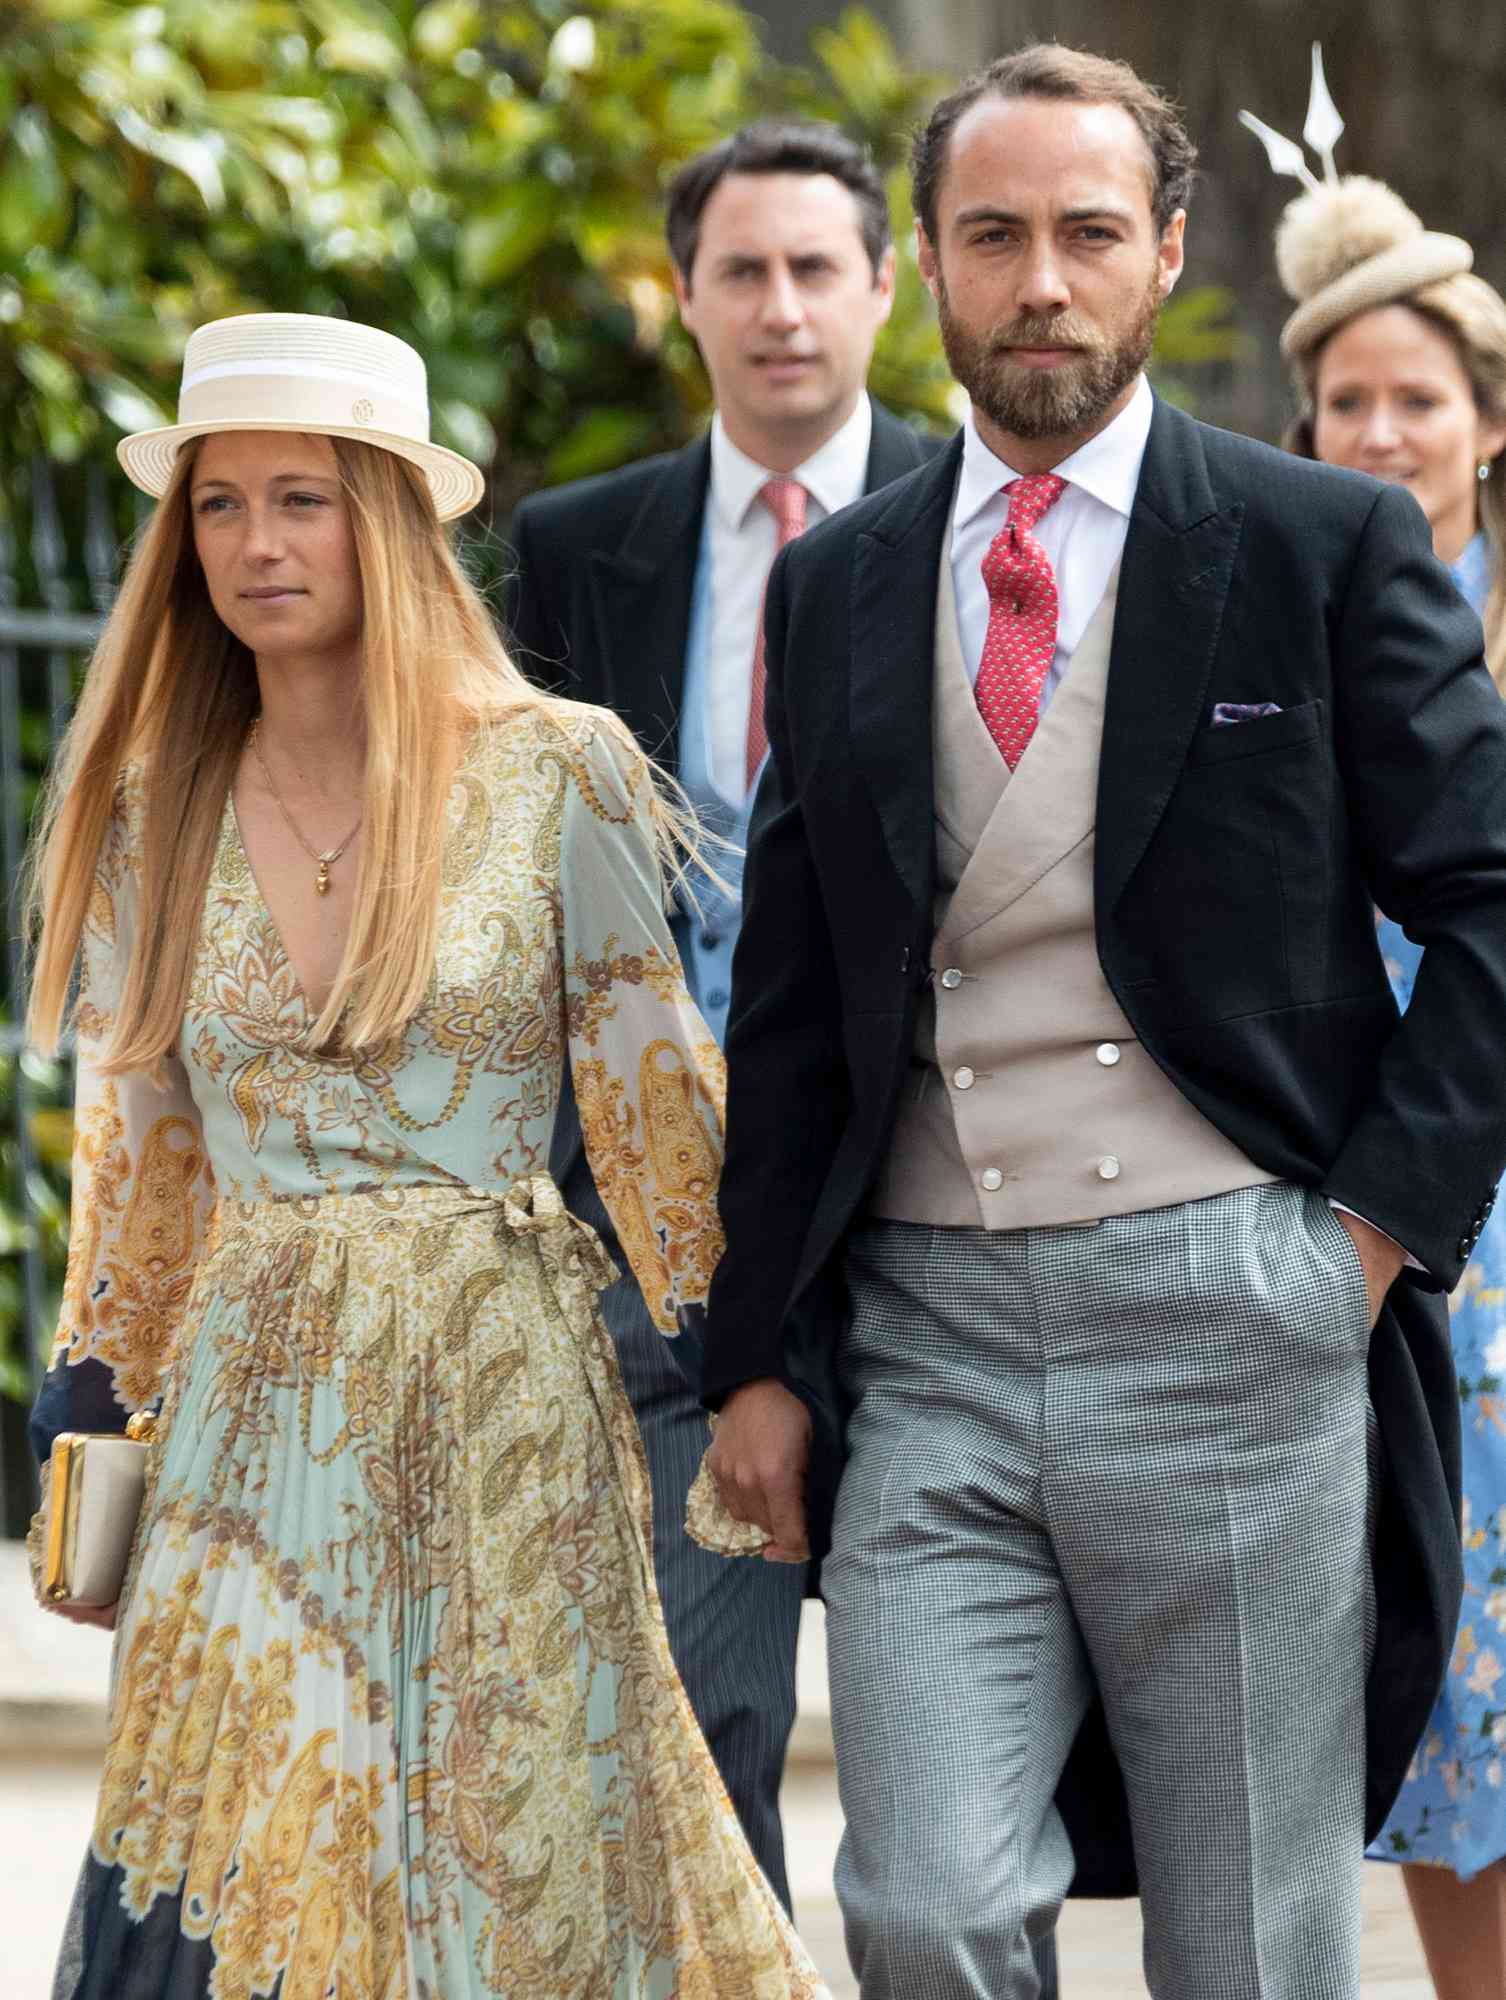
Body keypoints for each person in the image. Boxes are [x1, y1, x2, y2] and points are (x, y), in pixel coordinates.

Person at [694, 41, 1506, 2000]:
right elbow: (796, 1011)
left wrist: (1358, 1248)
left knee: (1251, 1946)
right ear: (932, 264)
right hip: (931, 1336)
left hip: (1242, 1317)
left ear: (1163, 253)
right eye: (992, 235)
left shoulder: (1317, 547)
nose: (1038, 278)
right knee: (924, 1903)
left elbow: (1488, 901)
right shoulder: (851, 582)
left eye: (1082, 232)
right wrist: (760, 1356)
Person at [23, 311, 829, 2000]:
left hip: (500, 1405)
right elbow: (147, 1161)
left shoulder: (556, 776)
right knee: (249, 1855)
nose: (256, 546)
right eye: (220, 506)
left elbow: (659, 1122)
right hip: (249, 1416)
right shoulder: (144, 803)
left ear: (386, 516)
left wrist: (772, 1378)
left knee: (511, 1852)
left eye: (301, 499)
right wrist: (91, 1422)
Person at [505, 119, 948, 1917]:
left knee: (939, 1755)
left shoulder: (971, 516)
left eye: (813, 269)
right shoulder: (579, 544)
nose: (779, 310)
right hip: (657, 1216)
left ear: (881, 287)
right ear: (681, 295)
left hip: (926, 1192)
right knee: (696, 1710)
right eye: (740, 272)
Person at [1256, 96, 1506, 2000]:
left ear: (1485, 419)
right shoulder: (1287, 649)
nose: (1379, 433)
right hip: (1398, 1229)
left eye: (1414, 397)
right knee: (1454, 1707)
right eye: (1344, 401)